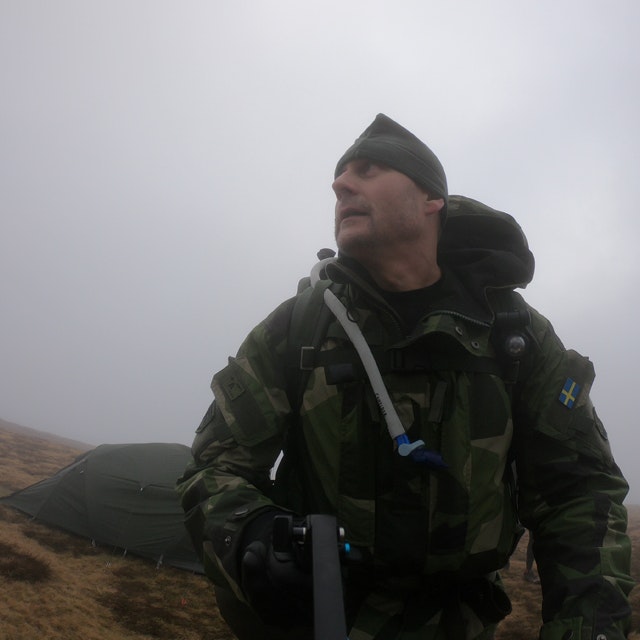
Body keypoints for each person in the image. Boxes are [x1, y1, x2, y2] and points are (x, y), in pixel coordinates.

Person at [177, 114, 633, 639]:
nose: (340, 183)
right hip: (319, 620)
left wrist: (588, 626)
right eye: (340, 174)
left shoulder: (515, 336)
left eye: (367, 169)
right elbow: (212, 467)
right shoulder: (299, 329)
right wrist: (253, 537)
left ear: (431, 199)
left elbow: (578, 493)